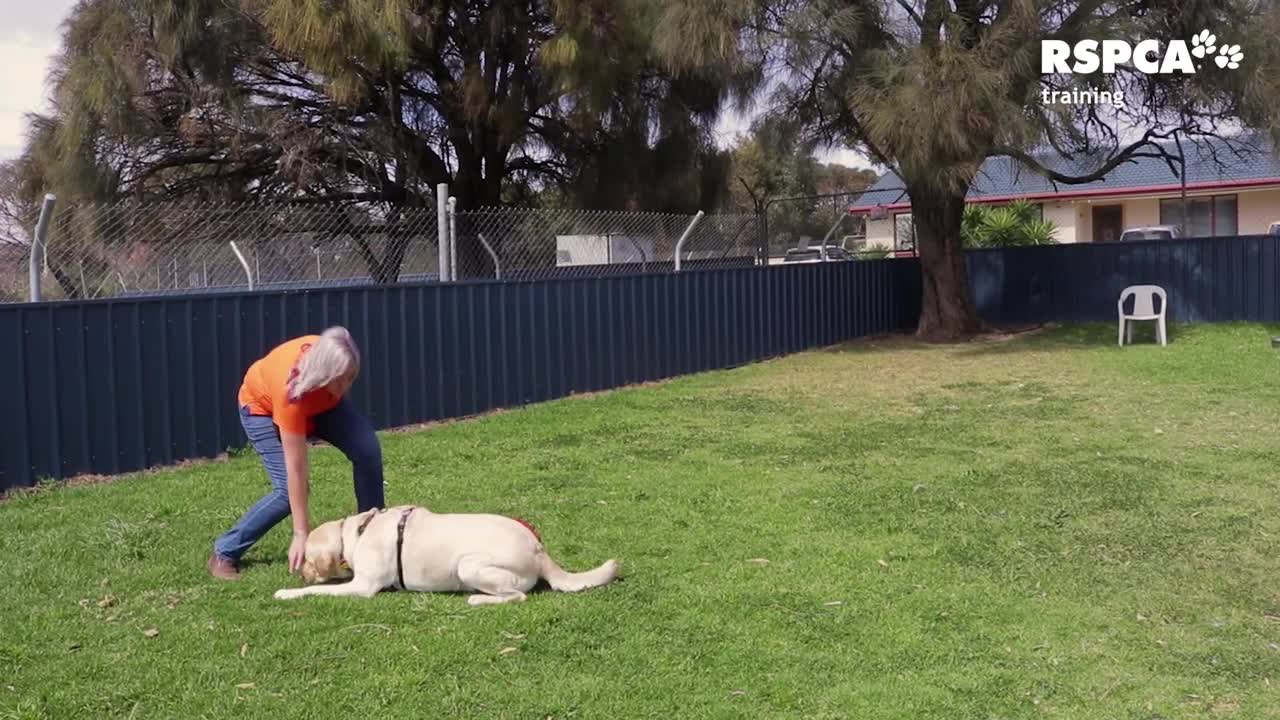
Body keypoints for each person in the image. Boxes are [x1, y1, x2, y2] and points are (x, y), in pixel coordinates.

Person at [208, 326, 385, 580]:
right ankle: (224, 552)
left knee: (367, 450)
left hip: (320, 403)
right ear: (326, 374)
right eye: (342, 379)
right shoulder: (290, 394)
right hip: (262, 409)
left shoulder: (330, 363)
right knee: (286, 492)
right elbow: (297, 470)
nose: (347, 386)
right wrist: (301, 533)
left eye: (351, 378)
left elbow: (336, 393)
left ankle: (372, 538)